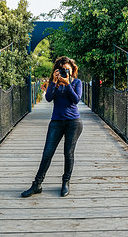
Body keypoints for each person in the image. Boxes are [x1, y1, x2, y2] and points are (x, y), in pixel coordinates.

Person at [21, 56, 83, 198]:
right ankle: (37, 184)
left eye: (68, 69)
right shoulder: (54, 82)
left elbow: (76, 100)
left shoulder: (76, 82)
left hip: (73, 122)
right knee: (47, 153)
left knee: (68, 153)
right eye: (62, 69)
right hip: (56, 122)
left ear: (72, 70)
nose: (65, 72)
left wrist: (67, 84)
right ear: (57, 70)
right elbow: (48, 98)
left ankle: (65, 182)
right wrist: (54, 82)